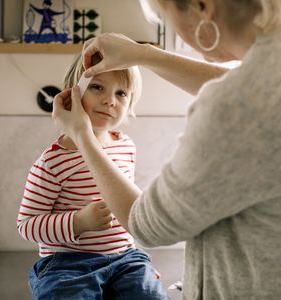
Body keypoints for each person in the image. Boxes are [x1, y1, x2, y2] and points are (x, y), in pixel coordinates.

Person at [52, 0, 281, 299]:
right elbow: (265, 91)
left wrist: (82, 135)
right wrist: (144, 54)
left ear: (202, 6)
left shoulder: (232, 110)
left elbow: (146, 226)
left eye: (166, 18)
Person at [17, 53, 169, 299]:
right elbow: (26, 225)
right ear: (72, 95)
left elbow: (127, 211)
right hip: (67, 264)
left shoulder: (126, 147)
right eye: (97, 87)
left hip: (125, 258)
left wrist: (141, 268)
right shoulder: (53, 161)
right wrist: (79, 222)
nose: (110, 100)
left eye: (121, 93)